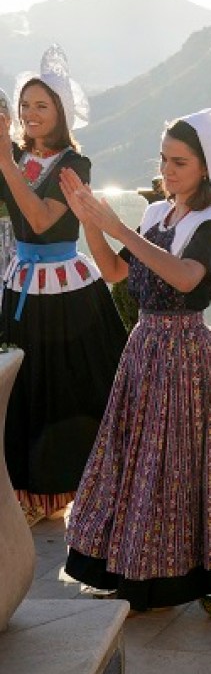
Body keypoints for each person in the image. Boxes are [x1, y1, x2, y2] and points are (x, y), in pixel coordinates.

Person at [60, 109, 211, 618]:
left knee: (192, 469)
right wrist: (91, 222)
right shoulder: (157, 214)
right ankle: (144, 572)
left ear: (205, 167)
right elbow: (118, 270)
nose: (168, 170)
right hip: (144, 350)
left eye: (179, 161)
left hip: (184, 355)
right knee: (145, 464)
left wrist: (116, 224)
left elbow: (185, 279)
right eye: (163, 159)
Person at [0, 45, 126, 526]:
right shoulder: (15, 157)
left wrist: (5, 162)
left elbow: (39, 217)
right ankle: (31, 492)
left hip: (66, 290)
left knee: (69, 389)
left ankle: (76, 487)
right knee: (26, 388)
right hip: (22, 285)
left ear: (61, 113)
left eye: (42, 106)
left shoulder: (75, 164)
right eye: (25, 105)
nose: (31, 114)